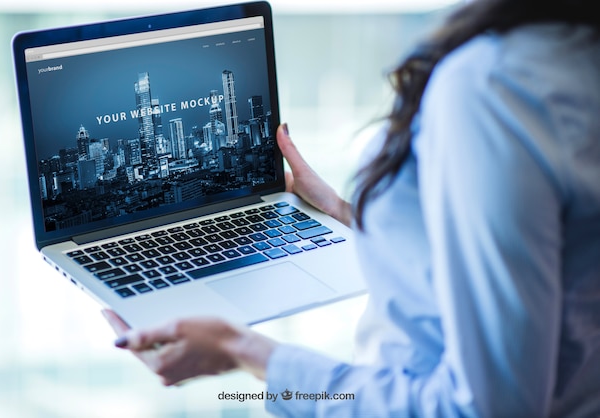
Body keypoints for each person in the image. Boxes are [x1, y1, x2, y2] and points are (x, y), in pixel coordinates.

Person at [103, 0, 600, 416]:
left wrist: (245, 351)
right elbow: (560, 261)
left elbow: (480, 410)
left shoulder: (491, 85)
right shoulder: (571, 54)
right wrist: (343, 215)